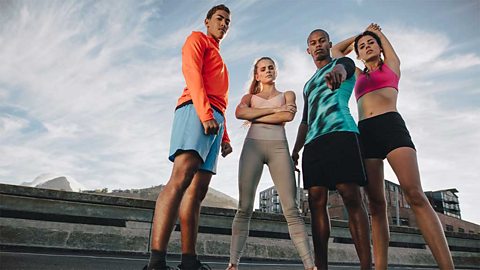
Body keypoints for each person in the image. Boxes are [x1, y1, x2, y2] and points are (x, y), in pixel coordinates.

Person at [332, 24, 455, 270]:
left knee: (415, 195)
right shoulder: (357, 73)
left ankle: (447, 267)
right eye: (362, 47)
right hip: (365, 132)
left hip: (391, 126)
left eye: (371, 44)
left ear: (380, 48)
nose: (367, 47)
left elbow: (389, 51)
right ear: (358, 53)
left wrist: (377, 34)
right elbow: (336, 51)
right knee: (376, 205)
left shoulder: (392, 67)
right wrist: (359, 36)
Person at [143, 5, 233, 270]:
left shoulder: (220, 58)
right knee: (180, 178)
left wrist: (224, 135)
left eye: (228, 21)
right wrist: (204, 113)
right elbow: (192, 74)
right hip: (195, 110)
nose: (224, 24)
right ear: (207, 21)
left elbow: (222, 102)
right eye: (219, 19)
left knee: (198, 192)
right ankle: (156, 261)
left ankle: (189, 261)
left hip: (214, 119)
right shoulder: (197, 39)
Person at [291, 29, 372, 270]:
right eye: (313, 43)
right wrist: (295, 151)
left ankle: (367, 265)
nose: (317, 46)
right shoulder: (307, 85)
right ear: (308, 50)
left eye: (322, 41)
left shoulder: (342, 63)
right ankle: (321, 266)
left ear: (329, 44)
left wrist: (336, 72)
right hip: (314, 144)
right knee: (316, 202)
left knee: (350, 195)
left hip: (341, 134)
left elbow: (344, 68)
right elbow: (305, 120)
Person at [226, 57, 315, 270]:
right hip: (252, 149)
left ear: (276, 72)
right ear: (257, 75)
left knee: (291, 209)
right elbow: (240, 113)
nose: (268, 71)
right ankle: (233, 264)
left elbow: (289, 115)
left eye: (271, 67)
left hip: (279, 150)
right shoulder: (249, 97)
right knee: (244, 207)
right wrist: (274, 111)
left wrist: (258, 115)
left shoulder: (288, 95)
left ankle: (310, 266)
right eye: (263, 69)